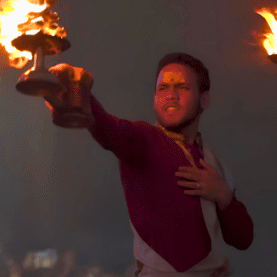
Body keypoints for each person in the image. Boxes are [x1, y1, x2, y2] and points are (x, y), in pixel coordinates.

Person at [50, 53, 253, 276]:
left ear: (204, 99)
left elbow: (242, 239)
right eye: (163, 88)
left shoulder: (216, 164)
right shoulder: (144, 140)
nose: (171, 95)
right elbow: (110, 129)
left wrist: (224, 195)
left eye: (182, 87)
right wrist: (81, 96)